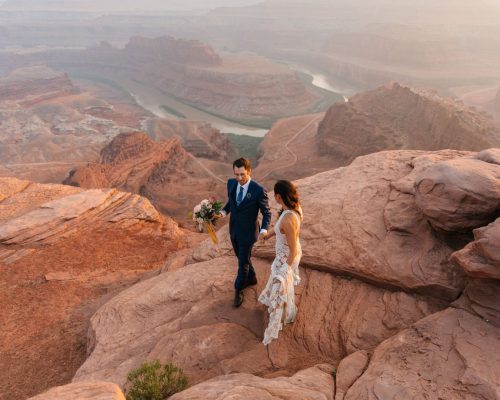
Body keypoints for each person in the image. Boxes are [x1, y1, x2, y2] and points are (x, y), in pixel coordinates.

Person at [217, 158, 272, 307]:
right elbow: (231, 203)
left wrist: (264, 230)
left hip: (248, 233)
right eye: (236, 174)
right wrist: (222, 213)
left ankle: (239, 289)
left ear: (249, 171)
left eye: (242, 174)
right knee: (243, 258)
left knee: (242, 263)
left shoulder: (258, 190)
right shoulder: (231, 183)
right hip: (234, 229)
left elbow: (267, 213)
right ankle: (252, 277)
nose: (239, 178)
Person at [258, 180, 302, 345]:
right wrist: (268, 235)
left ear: (277, 196)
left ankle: (272, 332)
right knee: (279, 287)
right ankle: (281, 312)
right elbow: (281, 230)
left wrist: (285, 270)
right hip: (286, 254)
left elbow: (293, 250)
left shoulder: (287, 219)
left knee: (280, 288)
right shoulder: (293, 209)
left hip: (286, 258)